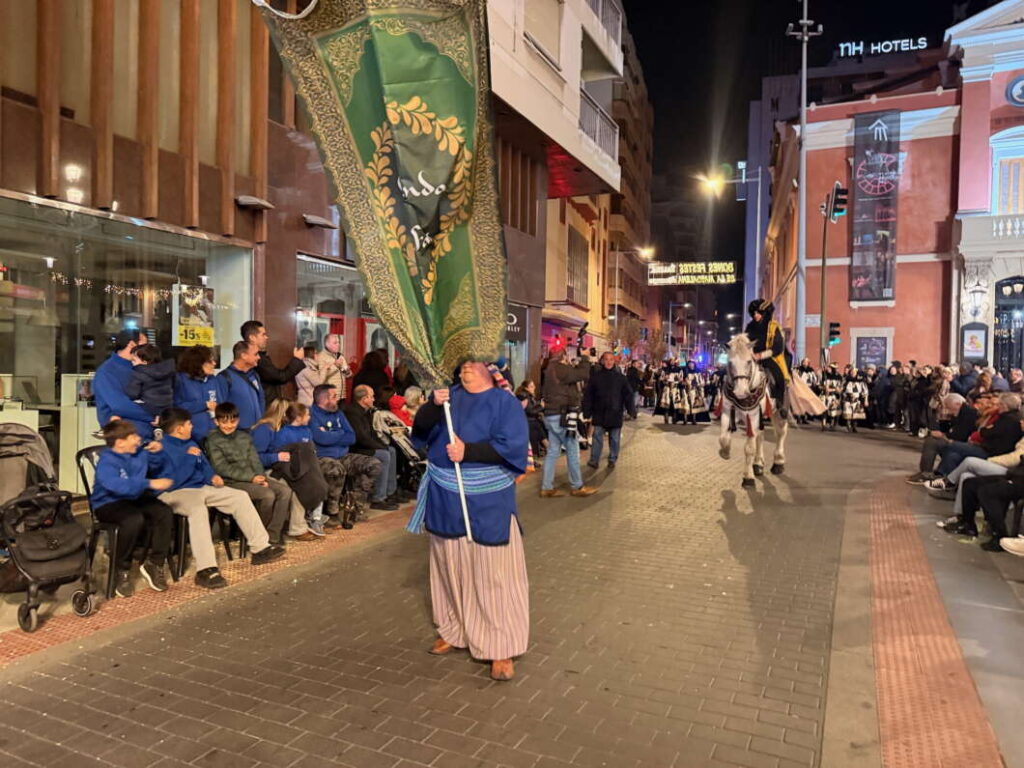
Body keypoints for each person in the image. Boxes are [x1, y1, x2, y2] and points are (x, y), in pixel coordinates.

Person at [411, 361, 530, 681]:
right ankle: (453, 628)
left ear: (490, 369)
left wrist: (470, 451)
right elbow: (419, 432)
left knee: (493, 574)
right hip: (445, 495)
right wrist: (433, 406)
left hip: (488, 500)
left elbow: (513, 447)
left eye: (472, 362)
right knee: (449, 566)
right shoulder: (446, 396)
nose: (465, 367)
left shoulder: (505, 403)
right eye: (461, 363)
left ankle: (500, 645)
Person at [152, 408, 285, 589]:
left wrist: (211, 476)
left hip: (200, 487)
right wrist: (187, 458)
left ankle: (260, 548)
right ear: (179, 428)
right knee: (198, 510)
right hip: (176, 492)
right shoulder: (161, 448)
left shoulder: (190, 442)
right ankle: (206, 570)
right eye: (188, 424)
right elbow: (172, 481)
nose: (192, 426)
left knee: (239, 496)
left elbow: (204, 466)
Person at [90, 420, 175, 597]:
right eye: (133, 437)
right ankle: (122, 569)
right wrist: (148, 483)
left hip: (134, 497)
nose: (138, 439)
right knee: (133, 519)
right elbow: (115, 485)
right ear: (120, 442)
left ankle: (155, 563)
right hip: (107, 503)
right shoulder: (107, 461)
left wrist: (158, 453)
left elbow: (160, 469)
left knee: (164, 512)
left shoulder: (139, 453)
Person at [205, 402, 300, 546]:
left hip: (254, 478)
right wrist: (251, 478)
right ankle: (257, 536)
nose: (229, 425)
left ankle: (272, 535)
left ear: (238, 420)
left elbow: (255, 460)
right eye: (224, 422)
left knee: (285, 491)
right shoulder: (213, 440)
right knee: (267, 495)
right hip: (232, 481)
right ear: (216, 421)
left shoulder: (244, 437)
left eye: (232, 421)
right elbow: (221, 468)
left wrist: (261, 477)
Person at [252, 400, 333, 535]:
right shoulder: (265, 429)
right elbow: (255, 458)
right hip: (267, 469)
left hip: (288, 466)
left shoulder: (285, 429)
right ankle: (298, 527)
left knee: (314, 479)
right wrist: (276, 457)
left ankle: (313, 516)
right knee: (298, 487)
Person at [309, 384, 382, 528]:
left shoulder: (338, 413)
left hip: (343, 455)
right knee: (337, 469)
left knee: (374, 464)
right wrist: (339, 434)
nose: (338, 399)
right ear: (324, 399)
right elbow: (320, 439)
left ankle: (354, 505)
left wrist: (330, 434)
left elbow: (351, 437)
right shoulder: (311, 414)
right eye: (334, 396)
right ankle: (332, 513)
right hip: (321, 458)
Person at [929, 392, 1023, 484]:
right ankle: (943, 476)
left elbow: (986, 432)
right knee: (953, 454)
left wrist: (982, 433)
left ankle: (947, 480)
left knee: (951, 445)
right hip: (985, 446)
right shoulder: (1006, 417)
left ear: (1005, 405)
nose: (996, 406)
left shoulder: (1009, 419)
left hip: (991, 452)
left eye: (999, 404)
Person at [539, 347, 597, 498]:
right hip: (562, 416)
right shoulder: (560, 369)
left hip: (552, 415)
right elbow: (583, 374)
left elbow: (573, 375)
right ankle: (577, 486)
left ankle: (546, 487)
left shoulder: (550, 369)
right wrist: (584, 358)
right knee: (572, 449)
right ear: (563, 356)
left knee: (552, 452)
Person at [344, 385, 399, 510]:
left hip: (367, 445)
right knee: (384, 454)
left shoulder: (367, 412)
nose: (374, 399)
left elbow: (372, 433)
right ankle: (378, 498)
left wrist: (382, 445)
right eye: (372, 396)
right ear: (364, 399)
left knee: (391, 450)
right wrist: (379, 447)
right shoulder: (352, 413)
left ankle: (390, 492)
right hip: (357, 448)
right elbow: (361, 437)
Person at [94, 329, 156, 438]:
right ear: (132, 344)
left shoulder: (143, 366)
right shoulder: (107, 371)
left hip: (148, 425)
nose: (148, 350)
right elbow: (120, 406)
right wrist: (152, 416)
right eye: (144, 345)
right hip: (125, 429)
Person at [907, 393, 978, 484]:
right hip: (958, 440)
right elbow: (950, 429)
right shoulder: (959, 412)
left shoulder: (968, 413)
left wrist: (943, 435)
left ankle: (926, 474)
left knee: (932, 442)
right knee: (932, 440)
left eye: (949, 407)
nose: (948, 410)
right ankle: (927, 472)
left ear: (957, 404)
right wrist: (942, 419)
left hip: (962, 442)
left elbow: (960, 435)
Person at [584, 352, 637, 469]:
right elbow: (588, 395)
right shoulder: (596, 377)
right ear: (602, 361)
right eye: (606, 359)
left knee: (614, 438)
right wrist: (586, 411)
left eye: (611, 360)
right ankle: (594, 460)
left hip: (615, 412)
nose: (608, 362)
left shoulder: (621, 378)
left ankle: (612, 459)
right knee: (597, 437)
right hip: (599, 412)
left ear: (614, 361)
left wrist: (631, 410)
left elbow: (628, 395)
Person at [241, 320, 305, 406]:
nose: (266, 337)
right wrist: (297, 360)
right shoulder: (257, 360)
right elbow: (280, 377)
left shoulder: (260, 357)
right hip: (264, 406)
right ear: (252, 337)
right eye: (263, 334)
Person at [744, 299, 790, 414]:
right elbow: (746, 342)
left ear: (764, 313)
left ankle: (780, 404)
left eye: (758, 313)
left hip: (768, 357)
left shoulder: (774, 326)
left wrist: (761, 355)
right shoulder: (750, 327)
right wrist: (748, 353)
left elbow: (778, 347)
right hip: (751, 358)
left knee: (778, 376)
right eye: (754, 313)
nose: (755, 315)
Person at [174, 344, 227, 441]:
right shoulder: (181, 380)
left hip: (216, 435)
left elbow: (220, 404)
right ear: (198, 363)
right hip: (190, 437)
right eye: (210, 361)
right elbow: (177, 407)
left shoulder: (214, 380)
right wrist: (204, 405)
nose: (214, 363)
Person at [219, 341, 265, 430]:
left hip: (257, 429)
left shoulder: (254, 375)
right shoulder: (224, 377)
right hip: (237, 433)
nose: (259, 357)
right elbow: (221, 407)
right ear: (244, 355)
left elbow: (261, 399)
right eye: (256, 354)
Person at [126, 344, 176, 420]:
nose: (132, 362)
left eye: (134, 360)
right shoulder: (168, 371)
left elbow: (132, 394)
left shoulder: (139, 373)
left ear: (145, 362)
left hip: (149, 407)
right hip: (167, 406)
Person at [515, 381, 546, 462]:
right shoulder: (524, 396)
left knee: (543, 436)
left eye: (534, 386)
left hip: (532, 421)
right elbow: (530, 411)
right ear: (526, 388)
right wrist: (541, 407)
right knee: (539, 438)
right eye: (531, 386)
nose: (534, 388)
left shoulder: (528, 396)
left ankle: (550, 455)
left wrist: (539, 406)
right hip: (529, 422)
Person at [316, 334, 353, 400]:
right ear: (327, 344)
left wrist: (347, 372)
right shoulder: (321, 357)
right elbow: (319, 380)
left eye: (339, 342)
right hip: (329, 397)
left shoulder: (340, 356)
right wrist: (333, 365)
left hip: (342, 396)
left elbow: (348, 375)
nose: (338, 344)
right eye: (335, 343)